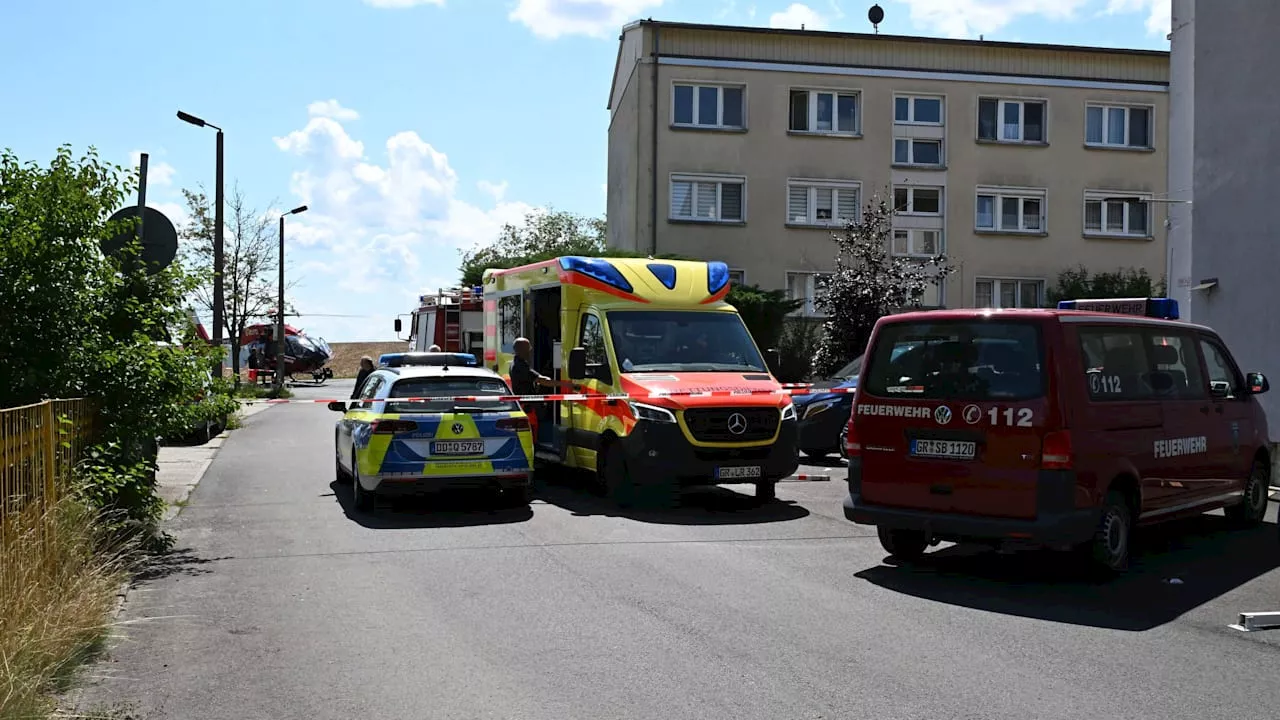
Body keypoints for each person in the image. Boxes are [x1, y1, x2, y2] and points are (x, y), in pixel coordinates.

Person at [510, 337, 577, 444]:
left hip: (526, 406)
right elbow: (543, 380)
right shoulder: (520, 366)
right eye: (528, 348)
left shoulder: (517, 363)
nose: (530, 350)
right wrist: (566, 384)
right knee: (531, 438)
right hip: (527, 408)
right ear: (521, 350)